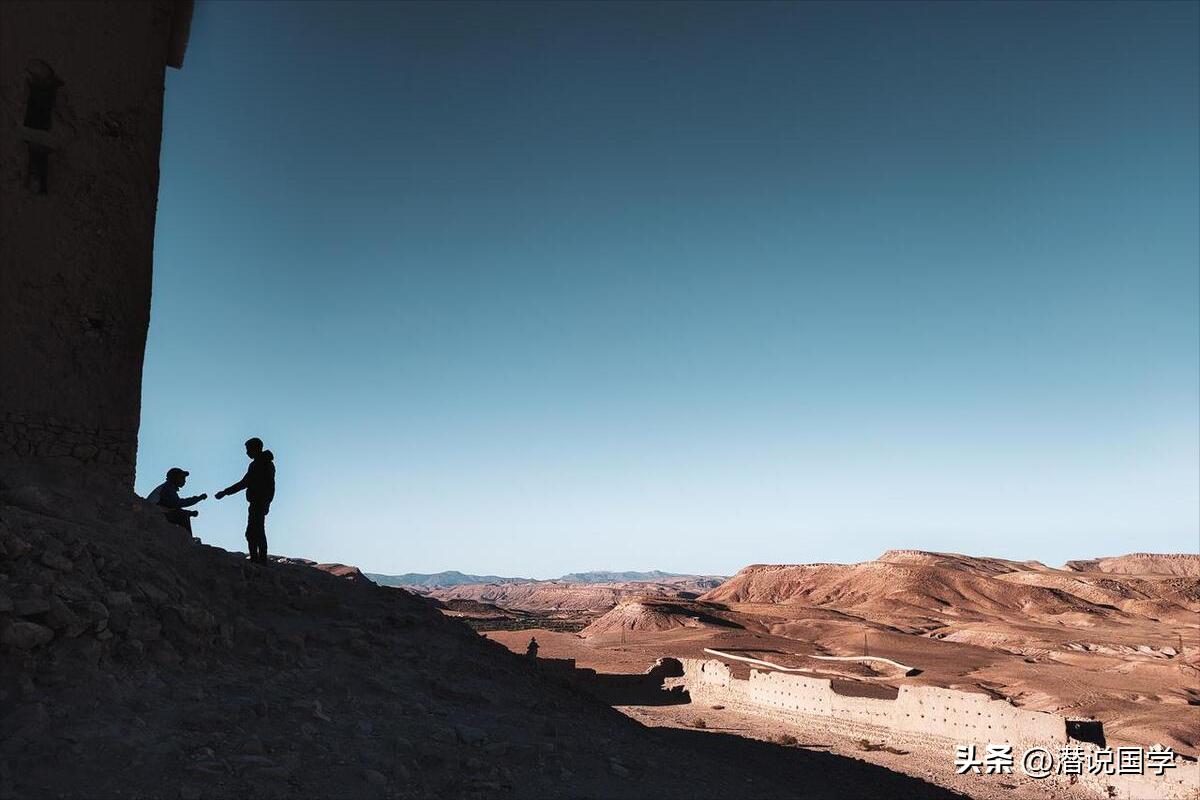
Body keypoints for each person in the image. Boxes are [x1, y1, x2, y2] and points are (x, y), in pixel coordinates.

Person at [215, 437, 276, 564]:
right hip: (257, 502)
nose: (247, 453)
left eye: (248, 450)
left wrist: (266, 503)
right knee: (255, 531)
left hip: (259, 502)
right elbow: (246, 482)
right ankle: (258, 559)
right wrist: (226, 492)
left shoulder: (262, 464)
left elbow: (266, 485)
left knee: (255, 531)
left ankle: (259, 560)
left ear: (255, 449)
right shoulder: (258, 463)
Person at [146, 467, 207, 534]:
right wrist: (198, 499)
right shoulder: (168, 487)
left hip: (157, 513)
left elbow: (171, 507)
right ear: (175, 478)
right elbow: (177, 504)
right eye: (182, 478)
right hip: (154, 515)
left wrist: (190, 513)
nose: (184, 481)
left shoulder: (168, 487)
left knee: (182, 514)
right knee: (182, 516)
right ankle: (188, 541)